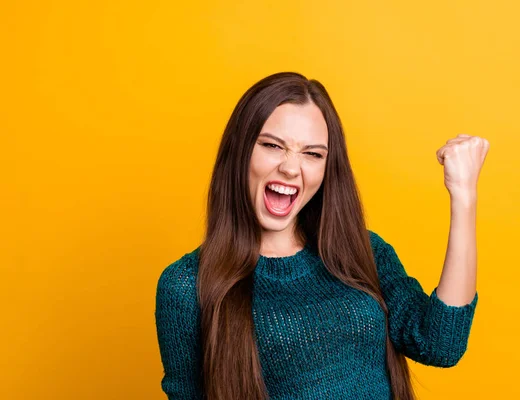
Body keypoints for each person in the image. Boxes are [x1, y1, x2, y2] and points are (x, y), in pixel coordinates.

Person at [154, 72, 488, 400]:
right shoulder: (186, 287)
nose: (291, 167)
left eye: (313, 154)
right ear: (239, 151)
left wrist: (464, 196)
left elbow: (440, 344)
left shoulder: (364, 252)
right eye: (273, 145)